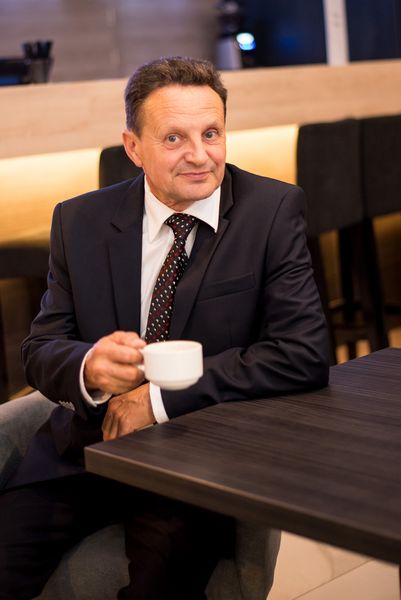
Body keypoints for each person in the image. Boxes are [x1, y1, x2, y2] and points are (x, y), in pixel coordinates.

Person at [0, 56, 330, 599]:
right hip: (84, 448)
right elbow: (41, 348)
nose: (200, 155)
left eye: (211, 133)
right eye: (174, 138)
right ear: (133, 147)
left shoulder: (271, 212)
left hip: (196, 457)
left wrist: (155, 401)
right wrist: (88, 367)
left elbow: (302, 353)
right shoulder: (80, 221)